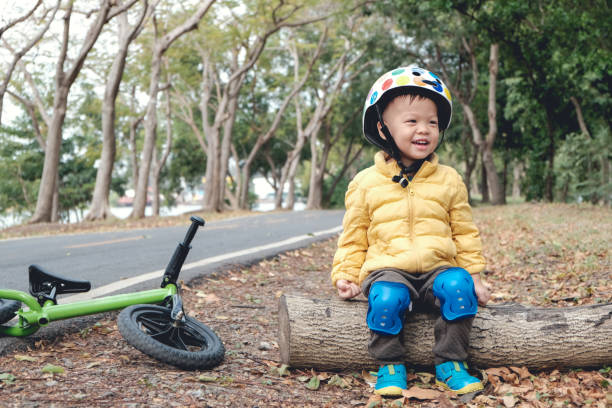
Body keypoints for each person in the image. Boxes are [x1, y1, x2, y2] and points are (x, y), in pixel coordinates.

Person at [331, 66, 491, 396]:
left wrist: (475, 275)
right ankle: (389, 364)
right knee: (387, 298)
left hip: (438, 269)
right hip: (387, 269)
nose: (424, 130)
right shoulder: (365, 182)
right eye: (412, 121)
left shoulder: (448, 179)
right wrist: (345, 274)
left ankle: (451, 362)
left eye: (432, 122)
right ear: (382, 127)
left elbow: (464, 231)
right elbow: (354, 234)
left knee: (459, 287)